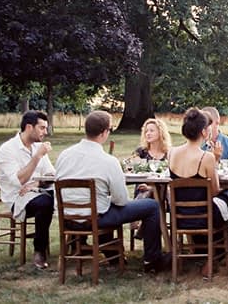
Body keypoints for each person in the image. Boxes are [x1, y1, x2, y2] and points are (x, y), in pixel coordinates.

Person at [55, 111, 171, 272]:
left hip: (67, 217)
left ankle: (114, 256)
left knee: (104, 205)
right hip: (96, 218)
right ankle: (152, 260)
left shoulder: (64, 156)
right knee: (151, 207)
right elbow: (121, 200)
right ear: (104, 133)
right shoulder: (108, 161)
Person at [167, 107, 228, 277]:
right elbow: (215, 190)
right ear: (203, 131)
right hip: (203, 217)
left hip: (179, 215)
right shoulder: (206, 157)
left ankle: (205, 252)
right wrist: (215, 160)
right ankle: (216, 255)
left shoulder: (171, 153)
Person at [0, 110, 55, 269]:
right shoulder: (8, 149)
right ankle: (39, 251)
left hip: (37, 191)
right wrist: (37, 157)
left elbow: (50, 174)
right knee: (46, 202)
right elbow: (18, 181)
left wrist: (36, 184)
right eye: (42, 128)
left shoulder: (37, 146)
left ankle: (78, 243)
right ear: (29, 127)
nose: (45, 132)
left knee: (65, 194)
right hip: (17, 198)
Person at [132, 118, 172, 200]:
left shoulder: (169, 153)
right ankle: (135, 211)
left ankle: (180, 212)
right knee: (145, 192)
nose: (148, 134)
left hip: (164, 189)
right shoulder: (141, 152)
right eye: (146, 131)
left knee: (169, 193)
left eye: (151, 131)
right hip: (143, 188)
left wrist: (153, 188)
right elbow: (136, 171)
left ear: (160, 133)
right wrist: (149, 187)